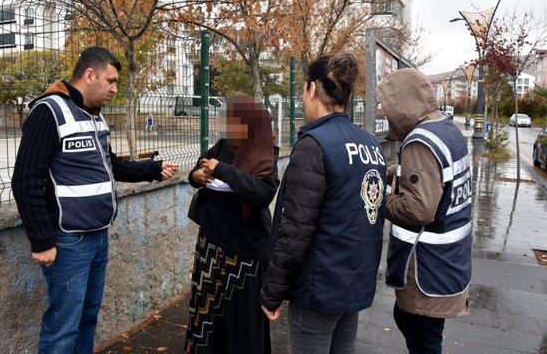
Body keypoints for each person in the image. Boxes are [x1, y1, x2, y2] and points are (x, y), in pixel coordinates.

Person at [11, 46, 178, 353]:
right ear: (89, 75)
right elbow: (25, 180)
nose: (114, 88)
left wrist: (153, 170)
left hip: (98, 236)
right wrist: (41, 240)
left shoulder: (94, 117)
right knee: (64, 326)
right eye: (110, 80)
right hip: (68, 242)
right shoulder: (49, 111)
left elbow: (109, 165)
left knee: (87, 318)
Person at [260, 53, 387, 354]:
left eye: (304, 90)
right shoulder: (371, 145)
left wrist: (271, 292)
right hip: (352, 286)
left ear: (313, 89)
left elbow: (296, 230)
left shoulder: (314, 145)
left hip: (319, 290)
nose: (303, 99)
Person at [376, 68, 472, 354]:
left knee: (424, 341)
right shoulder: (446, 130)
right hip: (449, 264)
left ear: (403, 104)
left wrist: (377, 200)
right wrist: (395, 172)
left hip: (426, 270)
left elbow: (418, 209)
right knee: (410, 323)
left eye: (387, 104)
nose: (384, 112)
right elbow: (438, 177)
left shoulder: (419, 142)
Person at [184, 97, 279, 354]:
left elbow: (262, 192)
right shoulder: (224, 145)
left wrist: (223, 171)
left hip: (244, 256)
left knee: (242, 324)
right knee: (208, 318)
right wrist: (197, 175)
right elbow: (198, 168)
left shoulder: (265, 151)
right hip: (212, 249)